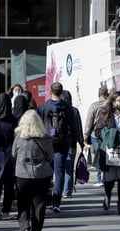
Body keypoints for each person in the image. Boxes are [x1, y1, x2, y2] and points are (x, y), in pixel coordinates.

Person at [12, 109, 54, 231]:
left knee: (23, 203)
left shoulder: (19, 136)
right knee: (39, 205)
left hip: (22, 175)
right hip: (42, 175)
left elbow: (13, 154)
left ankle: (24, 228)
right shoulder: (45, 137)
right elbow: (50, 156)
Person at [37, 82, 76, 213]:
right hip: (62, 143)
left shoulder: (43, 107)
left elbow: (38, 125)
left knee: (47, 172)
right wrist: (73, 144)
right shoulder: (68, 107)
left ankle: (47, 199)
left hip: (46, 143)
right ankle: (56, 202)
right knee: (59, 172)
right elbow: (73, 127)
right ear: (62, 92)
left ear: (50, 91)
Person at [83, 86, 110, 187]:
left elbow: (89, 121)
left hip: (96, 134)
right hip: (108, 134)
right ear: (107, 94)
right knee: (108, 156)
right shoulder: (110, 105)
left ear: (98, 95)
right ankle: (108, 177)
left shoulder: (94, 106)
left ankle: (100, 179)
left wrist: (85, 135)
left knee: (98, 156)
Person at [61, 90, 84, 198]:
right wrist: (81, 141)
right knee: (69, 169)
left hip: (58, 143)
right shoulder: (74, 111)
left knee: (59, 168)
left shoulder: (58, 110)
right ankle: (67, 191)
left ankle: (59, 190)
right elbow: (78, 128)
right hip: (71, 143)